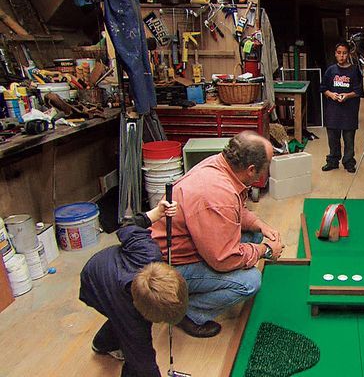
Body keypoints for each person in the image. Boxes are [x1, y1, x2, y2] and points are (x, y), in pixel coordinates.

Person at [151, 131, 284, 338]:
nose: (266, 171)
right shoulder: (216, 193)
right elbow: (223, 260)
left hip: (191, 246)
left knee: (254, 235)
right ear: (251, 170)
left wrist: (259, 224)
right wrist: (266, 251)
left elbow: (235, 211)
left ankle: (197, 291)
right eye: (266, 165)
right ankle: (187, 313)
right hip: (172, 266)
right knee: (250, 281)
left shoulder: (220, 164)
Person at [79, 200, 187, 377]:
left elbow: (129, 226)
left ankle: (102, 343)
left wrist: (156, 213)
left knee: (120, 320)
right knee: (133, 349)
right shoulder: (134, 321)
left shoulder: (149, 252)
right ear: (143, 314)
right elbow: (145, 366)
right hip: (94, 284)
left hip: (103, 265)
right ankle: (105, 344)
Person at [321, 41, 364, 173]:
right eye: (339, 53)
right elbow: (323, 88)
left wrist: (347, 95)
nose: (342, 56)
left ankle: (348, 162)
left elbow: (359, 91)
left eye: (344, 53)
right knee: (333, 139)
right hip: (333, 112)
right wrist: (331, 94)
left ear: (348, 54)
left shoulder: (354, 70)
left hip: (349, 112)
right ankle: (333, 161)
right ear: (335, 54)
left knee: (349, 139)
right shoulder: (331, 70)